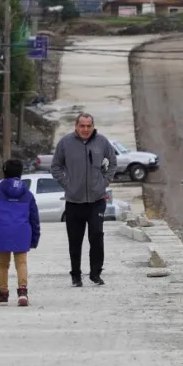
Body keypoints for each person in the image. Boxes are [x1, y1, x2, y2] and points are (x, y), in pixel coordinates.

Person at [51, 113, 117, 287]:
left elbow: (113, 162)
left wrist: (105, 181)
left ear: (93, 126)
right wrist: (68, 184)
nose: (86, 129)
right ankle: (76, 275)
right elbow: (55, 167)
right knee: (75, 240)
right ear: (76, 126)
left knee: (96, 236)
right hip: (74, 201)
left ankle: (95, 273)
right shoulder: (65, 143)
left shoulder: (102, 142)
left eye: (89, 126)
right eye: (82, 126)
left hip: (97, 200)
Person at [0, 159, 40, 307]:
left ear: (4, 172)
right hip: (22, 231)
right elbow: (34, 217)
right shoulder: (27, 194)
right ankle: (22, 292)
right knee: (21, 262)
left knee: (2, 264)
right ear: (21, 174)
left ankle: (3, 293)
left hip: (1, 230)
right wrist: (35, 237)